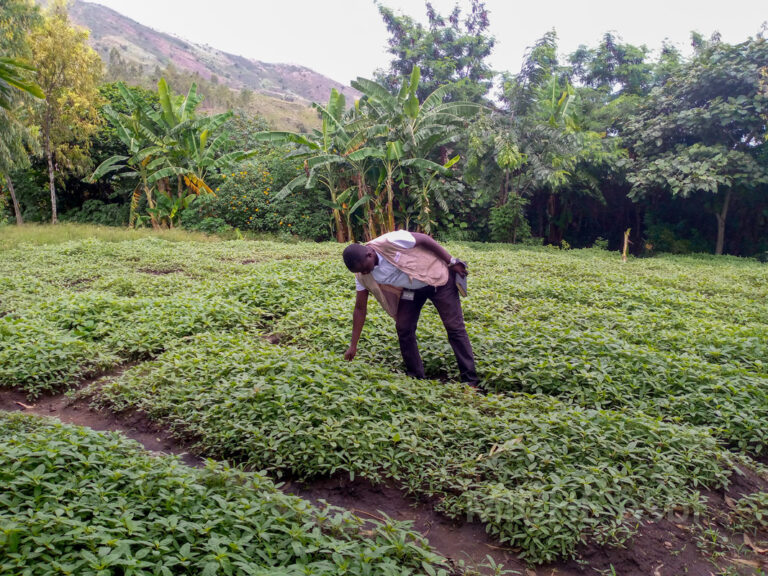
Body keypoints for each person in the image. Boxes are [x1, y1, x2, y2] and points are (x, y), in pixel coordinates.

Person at [342, 230, 478, 386]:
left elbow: (424, 239)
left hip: (438, 278)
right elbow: (360, 308)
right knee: (403, 327)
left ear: (369, 254)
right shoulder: (362, 274)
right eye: (360, 271)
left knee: (454, 327)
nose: (365, 273)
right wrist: (353, 345)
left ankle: (470, 381)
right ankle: (416, 377)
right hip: (412, 289)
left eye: (365, 268)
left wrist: (451, 261)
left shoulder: (389, 241)